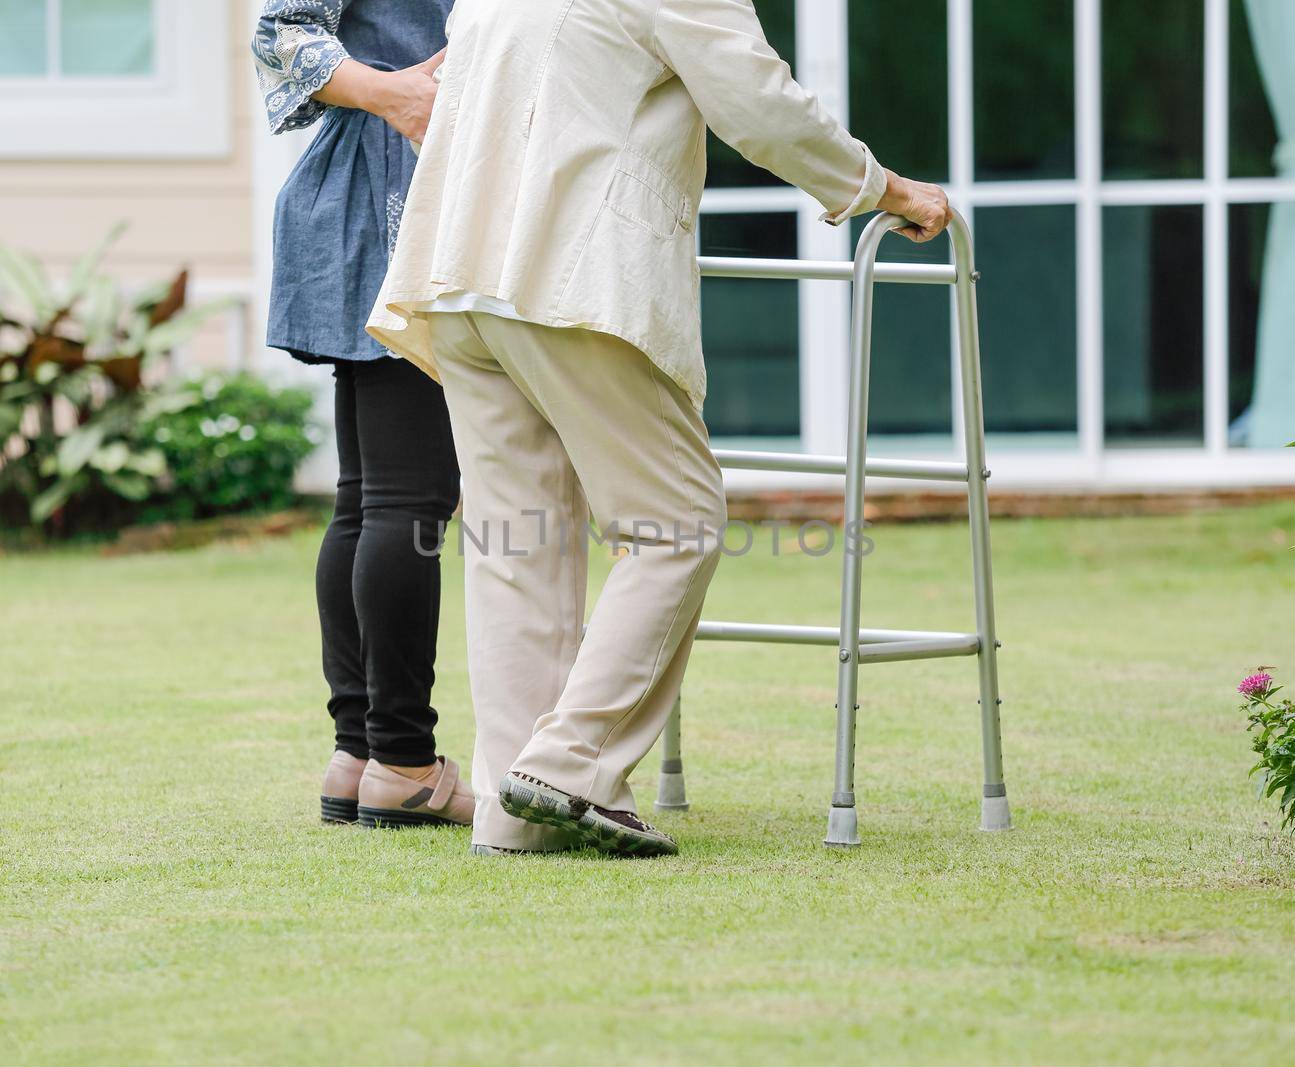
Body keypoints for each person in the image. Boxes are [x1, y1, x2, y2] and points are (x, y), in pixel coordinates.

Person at [370, 0, 950, 858]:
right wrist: (883, 188)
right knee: (678, 521)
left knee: (516, 545)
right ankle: (568, 766)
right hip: (567, 279)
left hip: (458, 278)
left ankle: (513, 810)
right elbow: (759, 103)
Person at [252, 0, 474, 829]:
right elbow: (283, 30)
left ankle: (361, 753)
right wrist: (402, 96)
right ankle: (406, 760)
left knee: (371, 497)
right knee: (405, 501)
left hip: (373, 193)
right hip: (397, 197)